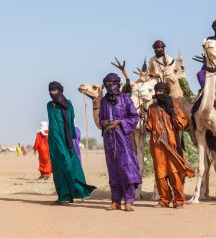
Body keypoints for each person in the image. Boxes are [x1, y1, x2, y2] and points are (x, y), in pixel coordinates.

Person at [145, 82, 194, 208]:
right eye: (157, 92)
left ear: (166, 93)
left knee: (174, 172)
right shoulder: (152, 108)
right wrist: (145, 118)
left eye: (161, 92)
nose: (159, 94)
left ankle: (179, 200)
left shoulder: (174, 105)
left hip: (171, 143)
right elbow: (149, 127)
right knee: (160, 174)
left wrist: (174, 114)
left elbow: (182, 124)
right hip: (157, 145)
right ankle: (164, 200)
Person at [47, 81, 96, 204]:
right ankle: (62, 196)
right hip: (53, 140)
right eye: (51, 90)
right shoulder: (48, 105)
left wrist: (70, 141)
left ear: (60, 91)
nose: (53, 92)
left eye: (55, 90)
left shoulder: (68, 104)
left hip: (65, 138)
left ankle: (73, 192)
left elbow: (70, 124)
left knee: (68, 165)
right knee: (57, 168)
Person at [99, 73, 142, 211]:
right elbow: (100, 118)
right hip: (109, 140)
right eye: (107, 83)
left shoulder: (125, 99)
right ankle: (115, 201)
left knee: (126, 169)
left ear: (117, 84)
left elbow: (134, 117)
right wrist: (104, 123)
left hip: (123, 139)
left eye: (112, 83)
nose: (110, 85)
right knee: (113, 171)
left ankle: (129, 201)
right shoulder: (103, 101)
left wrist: (120, 122)